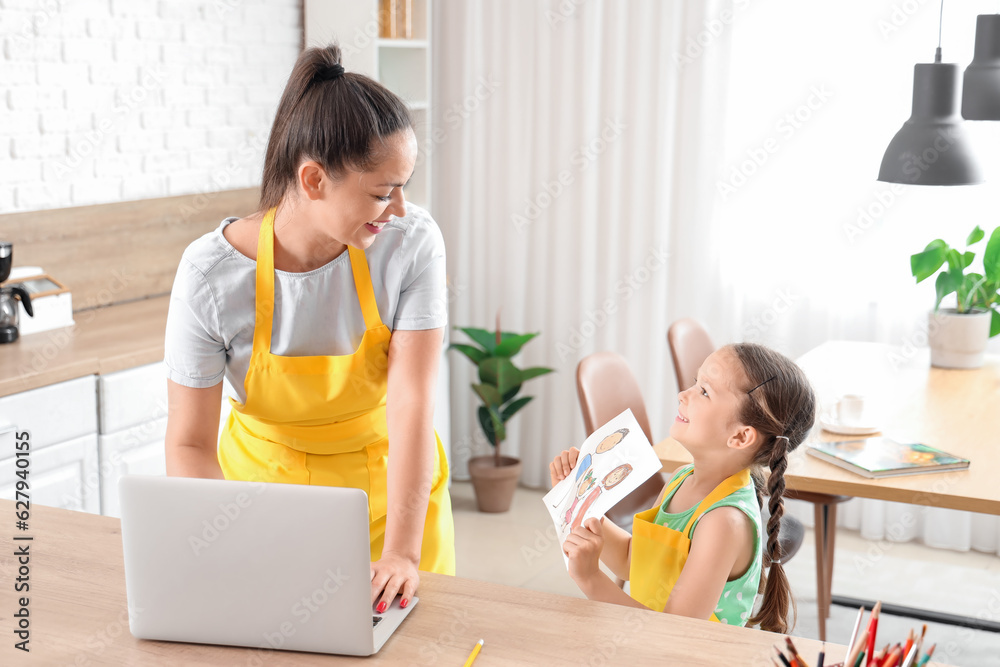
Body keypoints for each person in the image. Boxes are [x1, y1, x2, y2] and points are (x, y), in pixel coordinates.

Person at [163, 44, 455, 613]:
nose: (399, 208)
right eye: (381, 191)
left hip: (393, 503)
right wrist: (237, 545)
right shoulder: (209, 276)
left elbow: (412, 405)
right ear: (314, 179)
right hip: (261, 509)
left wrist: (400, 553)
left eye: (405, 185)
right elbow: (189, 442)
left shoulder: (411, 243)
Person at [549, 343, 816, 633]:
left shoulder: (723, 522)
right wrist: (580, 502)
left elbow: (675, 633)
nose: (683, 395)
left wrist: (590, 579)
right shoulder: (680, 479)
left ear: (740, 437)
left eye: (704, 391)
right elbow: (632, 560)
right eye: (695, 383)